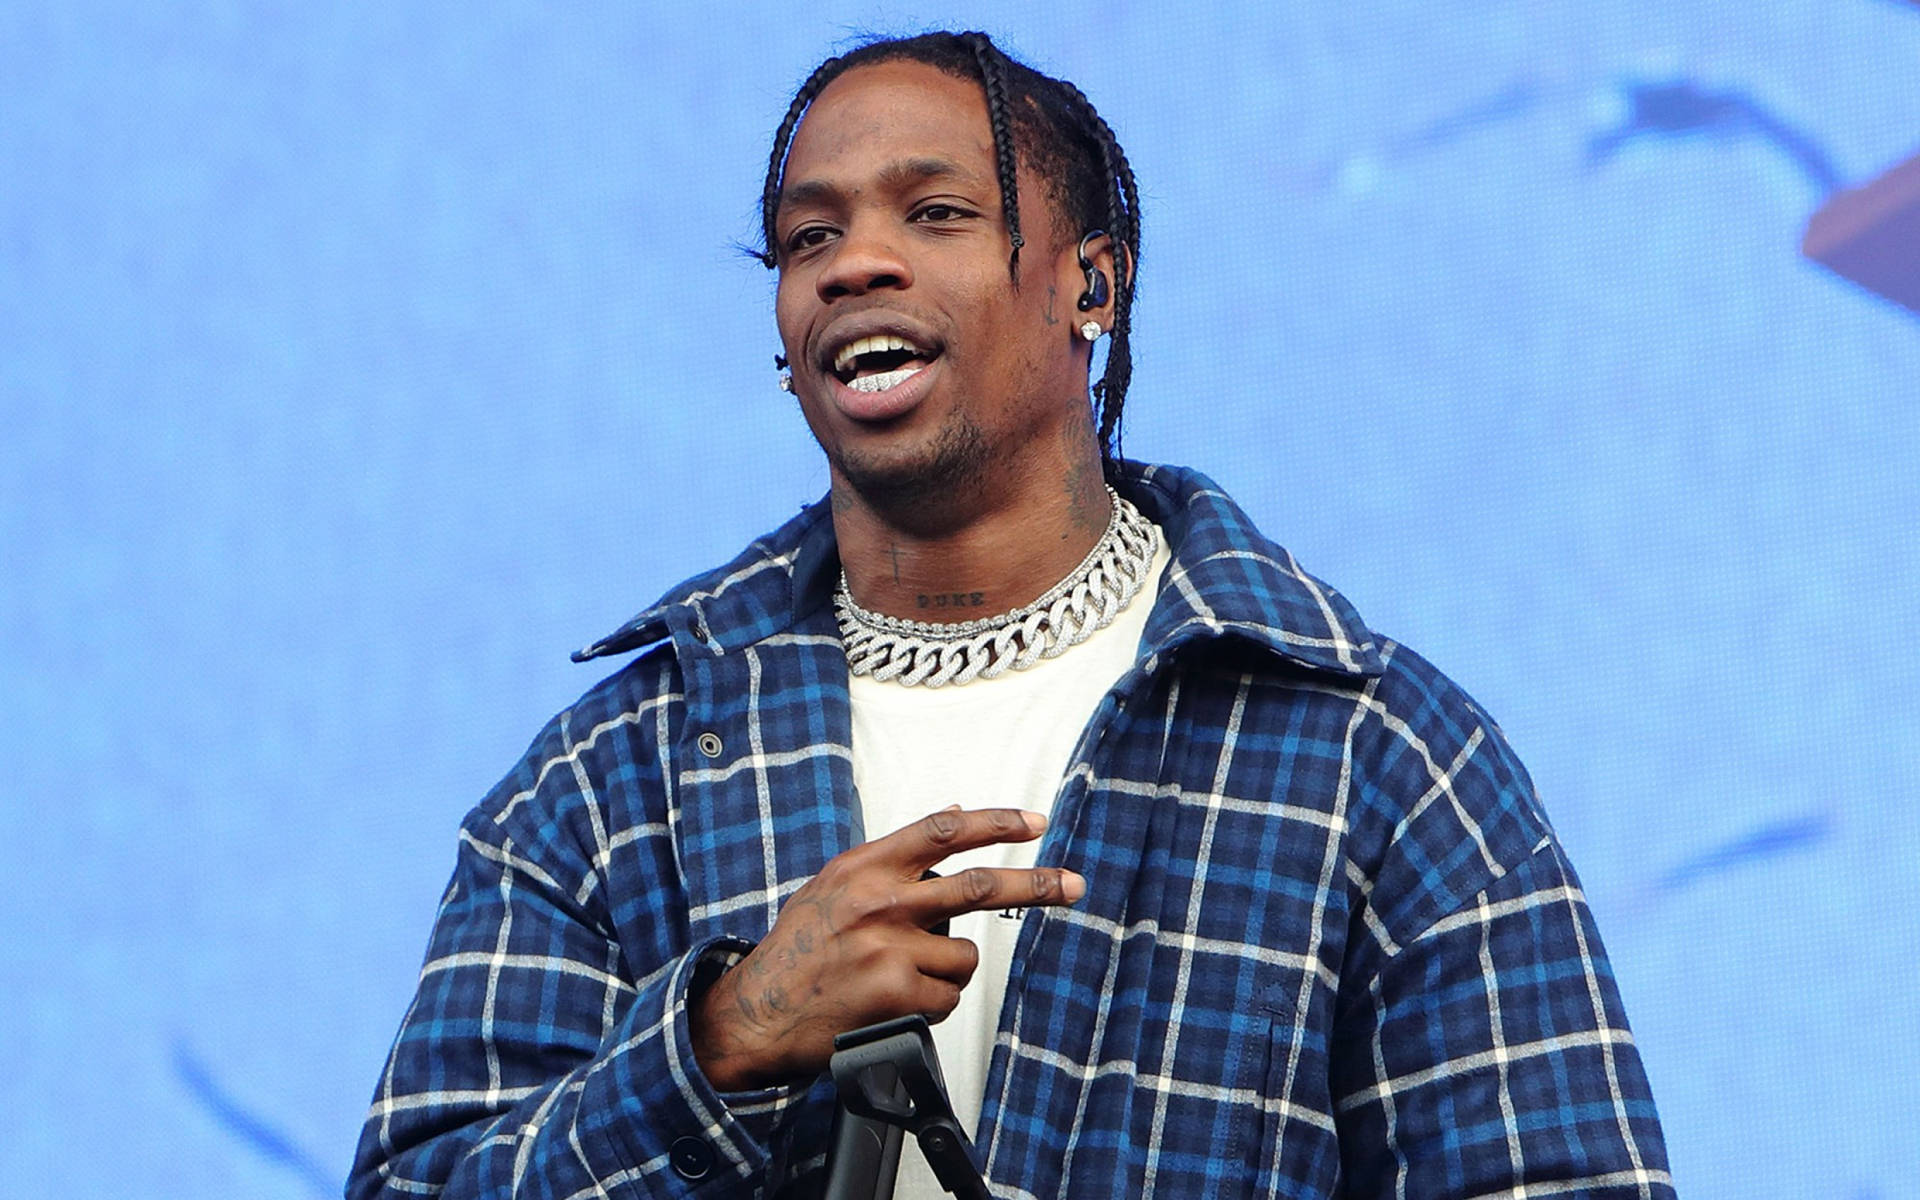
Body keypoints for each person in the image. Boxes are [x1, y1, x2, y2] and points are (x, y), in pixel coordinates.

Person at [349, 30, 1674, 1200]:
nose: (855, 264)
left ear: (1093, 283)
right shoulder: (613, 773)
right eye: (809, 238)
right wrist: (723, 1038)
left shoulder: (1372, 754)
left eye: (935, 213)